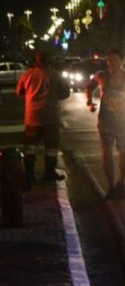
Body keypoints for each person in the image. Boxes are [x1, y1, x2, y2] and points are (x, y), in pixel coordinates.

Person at [86, 48, 125, 200]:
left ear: (121, 61)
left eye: (115, 60)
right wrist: (89, 103)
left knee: (124, 153)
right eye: (110, 60)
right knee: (106, 152)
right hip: (106, 120)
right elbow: (89, 87)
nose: (112, 63)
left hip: (124, 121)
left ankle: (121, 182)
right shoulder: (101, 76)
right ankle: (111, 186)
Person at [16, 51, 70, 189]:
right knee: (51, 147)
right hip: (51, 117)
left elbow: (19, 92)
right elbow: (65, 92)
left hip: (32, 117)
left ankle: (29, 175)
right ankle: (49, 173)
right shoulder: (54, 75)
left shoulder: (27, 75)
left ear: (35, 61)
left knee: (30, 147)